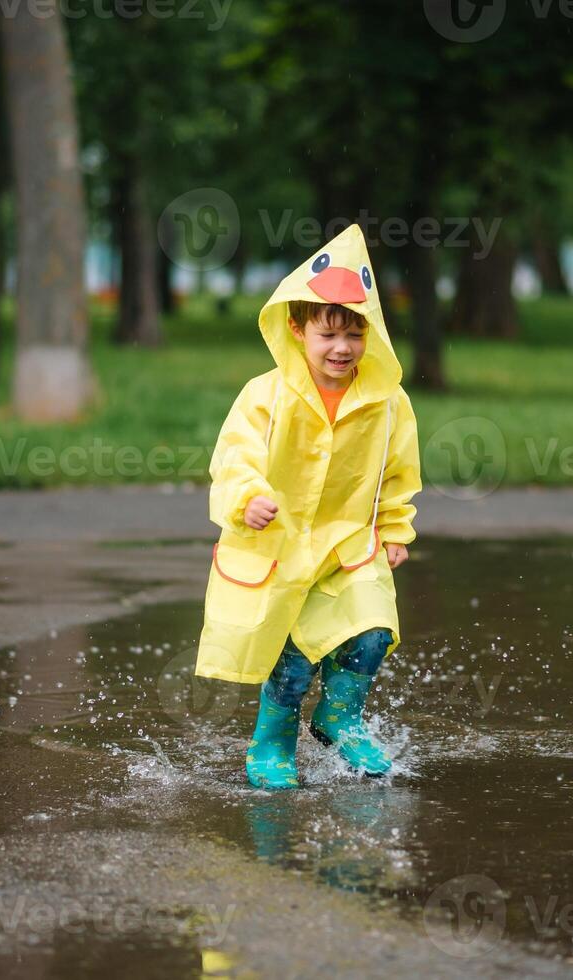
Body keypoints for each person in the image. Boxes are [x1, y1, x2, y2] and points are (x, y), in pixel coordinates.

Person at [195, 223, 421, 789]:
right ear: (297, 329)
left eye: (354, 334)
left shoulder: (388, 403)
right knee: (293, 658)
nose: (341, 349)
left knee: (373, 629)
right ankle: (272, 740)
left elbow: (398, 474)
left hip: (348, 542)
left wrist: (395, 530)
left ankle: (339, 717)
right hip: (283, 545)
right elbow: (234, 458)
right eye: (328, 334)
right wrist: (247, 500)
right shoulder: (264, 395)